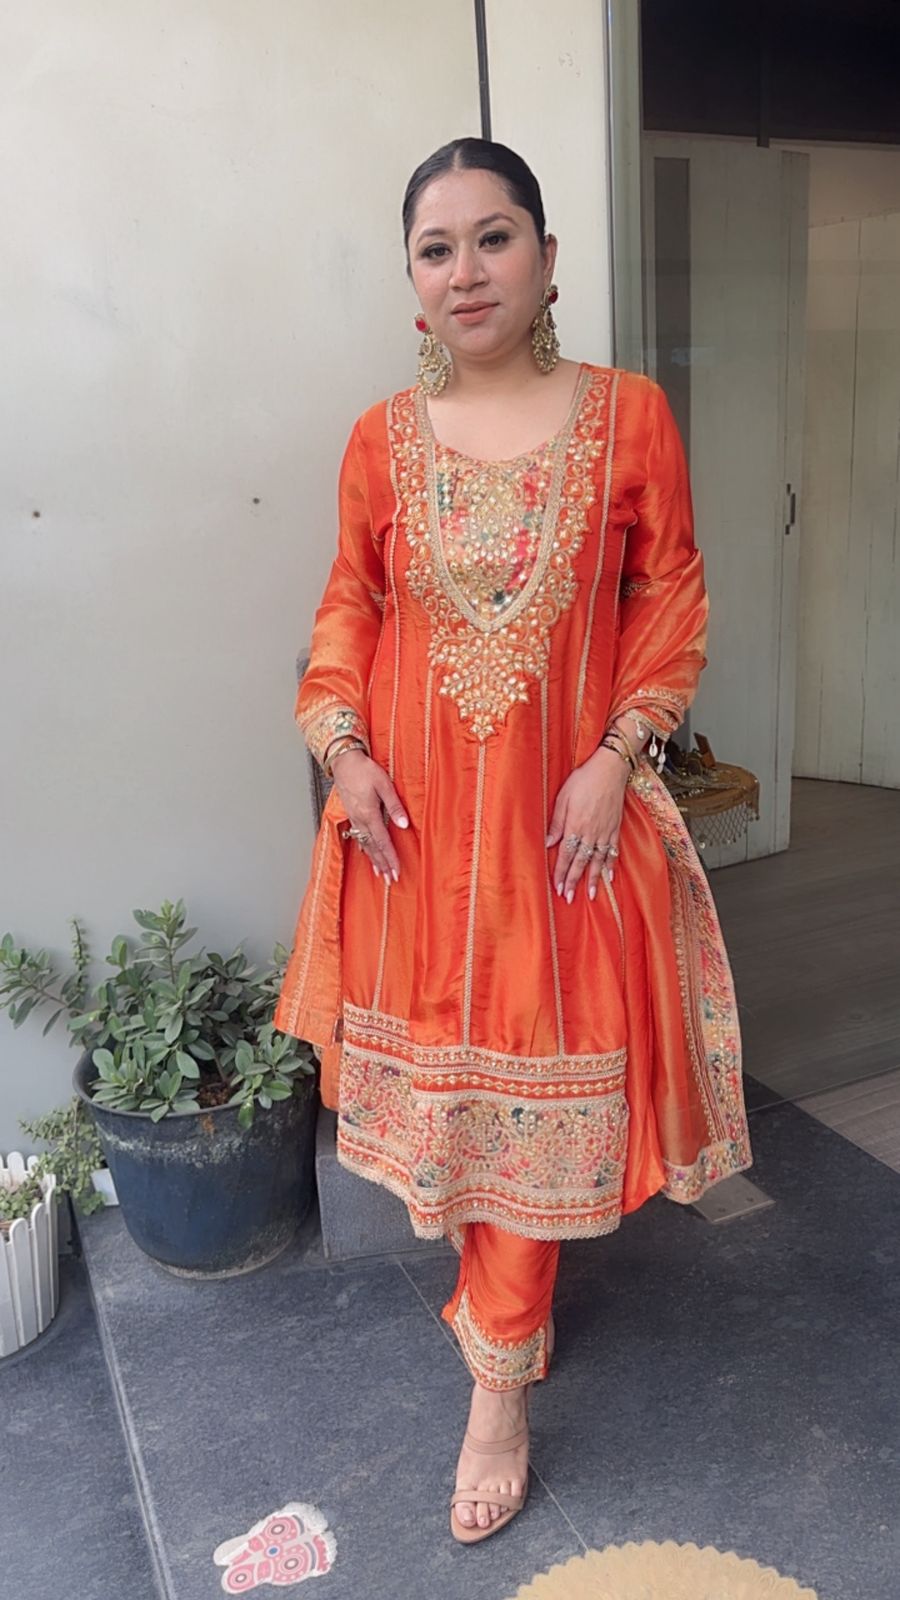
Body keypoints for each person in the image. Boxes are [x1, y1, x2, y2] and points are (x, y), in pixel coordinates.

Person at [275, 137, 752, 1544]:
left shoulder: (629, 418)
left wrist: (619, 753)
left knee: (545, 1086)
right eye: (437, 249)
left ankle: (497, 1395)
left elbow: (670, 596)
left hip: (565, 837)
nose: (467, 271)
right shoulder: (381, 441)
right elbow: (351, 603)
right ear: (412, 283)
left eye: (494, 238)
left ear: (548, 259)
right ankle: (503, 1313)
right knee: (463, 1103)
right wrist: (343, 750)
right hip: (420, 838)